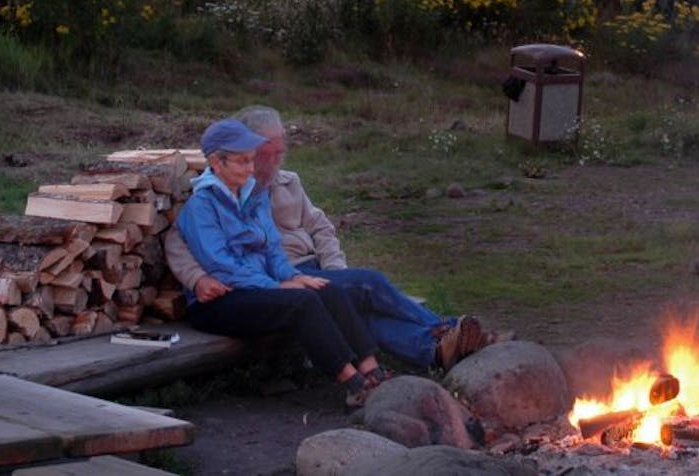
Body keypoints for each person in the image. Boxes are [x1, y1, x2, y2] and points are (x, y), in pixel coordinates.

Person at [166, 106, 499, 371]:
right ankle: (446, 331)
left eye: (280, 152)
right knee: (368, 283)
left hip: (311, 271)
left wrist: (335, 268)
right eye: (267, 153)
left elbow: (321, 227)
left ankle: (436, 348)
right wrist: (197, 278)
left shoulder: (288, 183)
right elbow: (178, 241)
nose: (272, 161)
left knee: (352, 296)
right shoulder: (219, 194)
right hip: (277, 282)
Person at [177, 117, 387, 409]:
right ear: (216, 162)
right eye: (241, 162)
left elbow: (272, 248)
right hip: (220, 300)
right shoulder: (201, 207)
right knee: (302, 302)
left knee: (328, 289)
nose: (251, 169)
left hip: (256, 289)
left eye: (251, 160)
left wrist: (290, 274)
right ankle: (354, 385)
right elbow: (222, 266)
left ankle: (373, 371)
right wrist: (277, 286)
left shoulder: (253, 196)